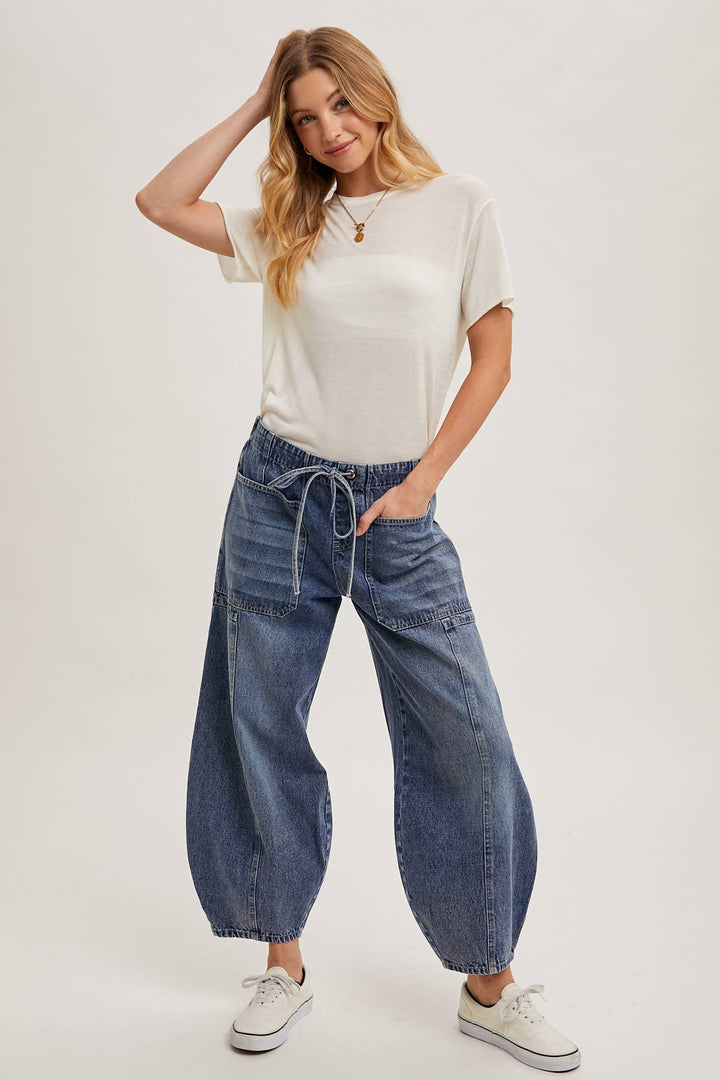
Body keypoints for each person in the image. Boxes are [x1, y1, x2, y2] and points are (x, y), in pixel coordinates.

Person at [136, 26, 581, 1072]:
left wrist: (421, 486)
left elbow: (494, 357)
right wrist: (257, 104)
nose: (327, 130)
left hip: (400, 510)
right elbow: (159, 201)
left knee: (467, 738)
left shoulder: (459, 205)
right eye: (304, 118)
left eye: (339, 104)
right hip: (278, 496)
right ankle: (282, 965)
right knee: (261, 723)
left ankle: (489, 983)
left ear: (375, 96)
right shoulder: (290, 220)